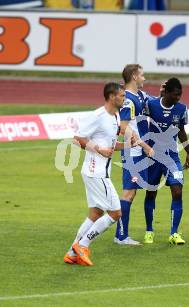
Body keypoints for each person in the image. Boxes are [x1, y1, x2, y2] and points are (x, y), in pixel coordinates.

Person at [64, 82, 132, 266]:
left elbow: (109, 144)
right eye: (122, 96)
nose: (124, 99)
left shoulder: (116, 116)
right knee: (116, 213)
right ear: (112, 96)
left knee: (95, 212)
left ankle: (72, 252)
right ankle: (83, 244)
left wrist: (127, 145)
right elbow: (77, 139)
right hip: (96, 172)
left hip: (99, 172)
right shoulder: (98, 116)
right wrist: (98, 149)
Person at [144, 77, 189, 245]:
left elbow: (181, 130)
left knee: (177, 190)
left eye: (180, 95)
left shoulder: (181, 109)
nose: (178, 98)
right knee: (151, 192)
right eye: (176, 95)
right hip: (153, 156)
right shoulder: (151, 105)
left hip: (172, 156)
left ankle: (174, 233)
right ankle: (149, 230)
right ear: (167, 92)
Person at [114, 64, 155, 246]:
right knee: (128, 192)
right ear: (134, 76)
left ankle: (122, 234)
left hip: (139, 152)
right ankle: (121, 235)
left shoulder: (139, 96)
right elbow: (123, 127)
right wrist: (144, 145)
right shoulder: (128, 100)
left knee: (132, 193)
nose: (144, 79)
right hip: (133, 153)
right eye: (142, 75)